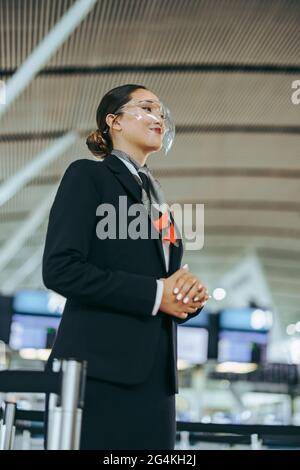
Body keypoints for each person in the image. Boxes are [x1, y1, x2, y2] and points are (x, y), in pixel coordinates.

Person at [42, 84, 209, 450]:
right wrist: (155, 294)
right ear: (113, 121)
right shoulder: (89, 177)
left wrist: (185, 296)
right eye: (147, 108)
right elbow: (60, 268)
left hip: (156, 380)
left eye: (161, 113)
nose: (158, 118)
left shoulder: (157, 200)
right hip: (97, 372)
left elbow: (163, 281)